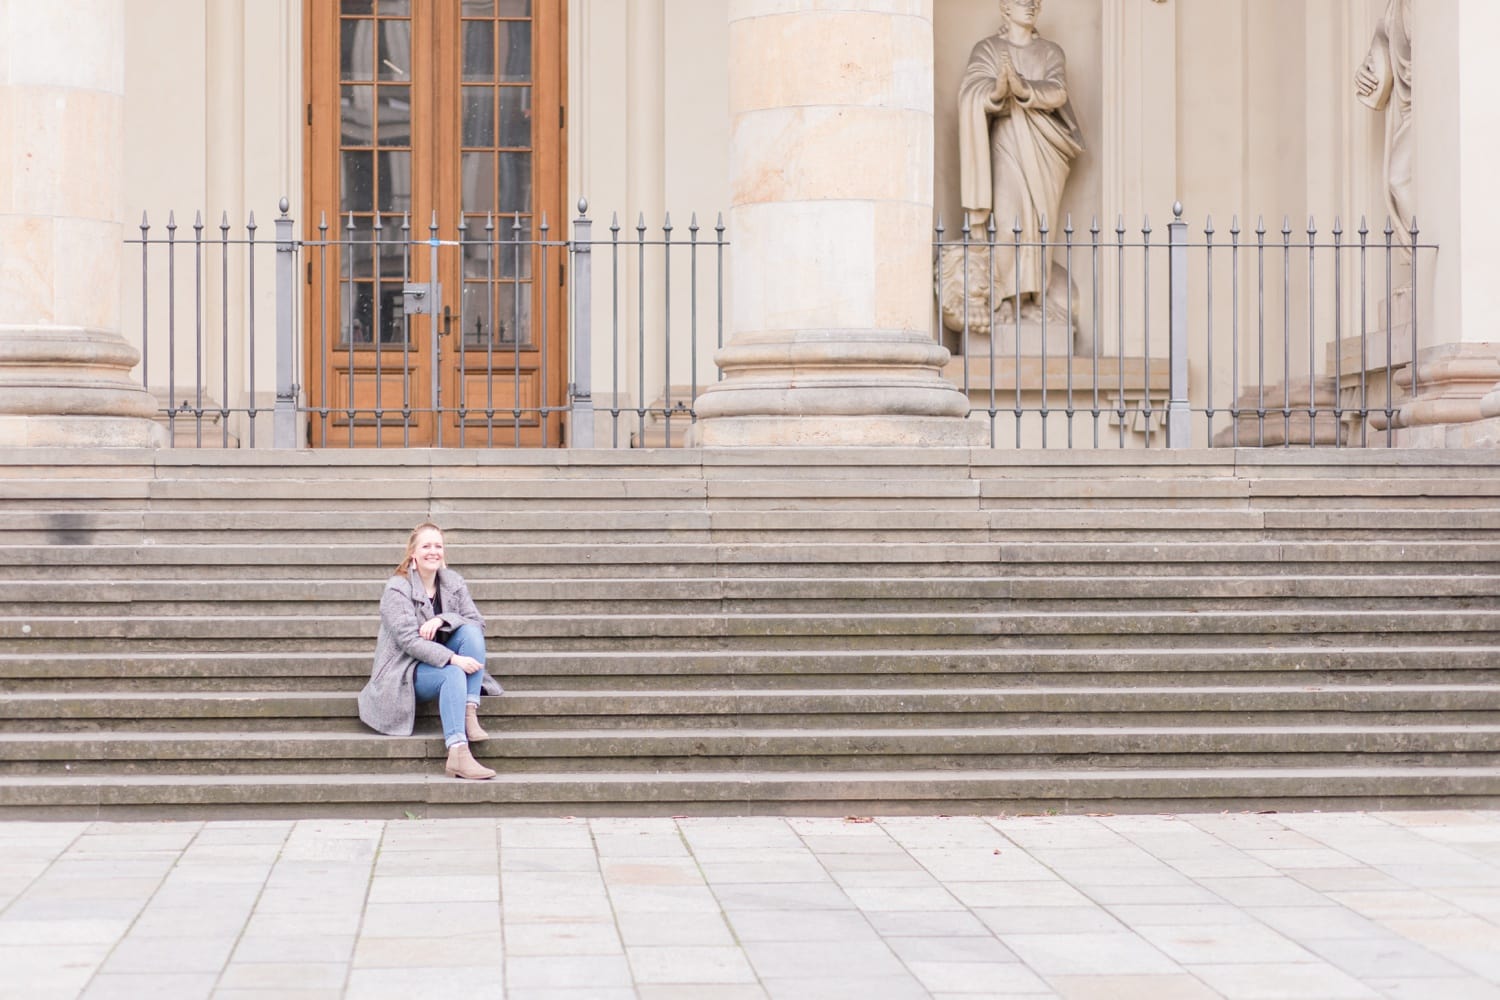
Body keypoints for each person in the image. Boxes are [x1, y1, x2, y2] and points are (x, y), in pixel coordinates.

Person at [958, 0, 1085, 322]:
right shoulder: (988, 49)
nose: (1029, 6)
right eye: (1020, 1)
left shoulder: (1050, 52)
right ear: (1004, 8)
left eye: (1034, 2)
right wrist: (998, 90)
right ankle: (1002, 299)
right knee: (1007, 224)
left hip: (1045, 149)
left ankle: (1032, 301)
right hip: (1007, 142)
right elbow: (971, 90)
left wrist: (1024, 87)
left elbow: (1058, 91)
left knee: (1041, 227)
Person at [358, 522, 501, 780]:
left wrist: (443, 619)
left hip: (436, 658)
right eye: (426, 546)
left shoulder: (452, 581)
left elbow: (476, 621)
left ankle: (469, 709)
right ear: (413, 552)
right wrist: (453, 658)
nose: (433, 551)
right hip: (403, 670)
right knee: (453, 673)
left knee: (470, 632)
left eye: (438, 546)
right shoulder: (397, 588)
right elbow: (409, 641)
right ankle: (458, 752)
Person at [1355, 0, 1413, 245]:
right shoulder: (1394, 8)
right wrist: (1364, 71)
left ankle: (1421, 260)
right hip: (1407, 109)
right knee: (1397, 181)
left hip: (1427, 107)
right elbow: (1383, 47)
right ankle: (1418, 262)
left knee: (1398, 179)